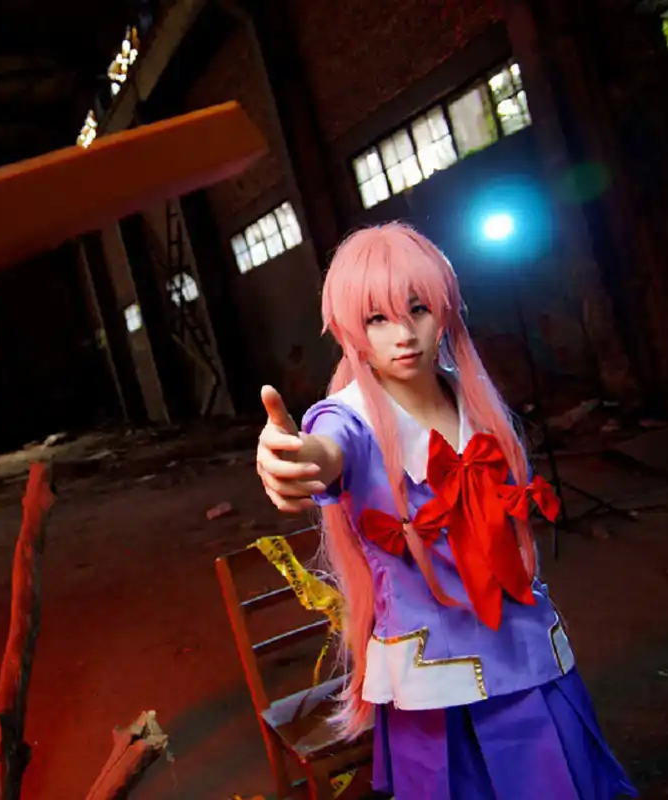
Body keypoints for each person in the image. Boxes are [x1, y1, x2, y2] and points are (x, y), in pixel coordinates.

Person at [255, 223, 637, 800]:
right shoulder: (348, 419)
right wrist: (295, 459)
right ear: (349, 328)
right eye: (377, 319)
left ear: (446, 308)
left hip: (528, 647)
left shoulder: (470, 395)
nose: (404, 335)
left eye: (419, 309)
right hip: (436, 676)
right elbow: (325, 452)